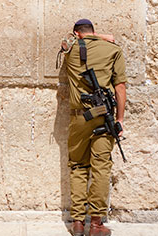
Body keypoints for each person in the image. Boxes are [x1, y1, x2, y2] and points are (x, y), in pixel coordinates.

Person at [63, 19, 127, 236]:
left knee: (79, 166)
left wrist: (90, 37)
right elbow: (120, 87)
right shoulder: (113, 49)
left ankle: (78, 222)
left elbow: (65, 40)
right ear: (92, 31)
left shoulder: (71, 49)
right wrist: (120, 119)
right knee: (101, 168)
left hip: (79, 118)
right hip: (104, 117)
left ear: (77, 33)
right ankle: (97, 224)